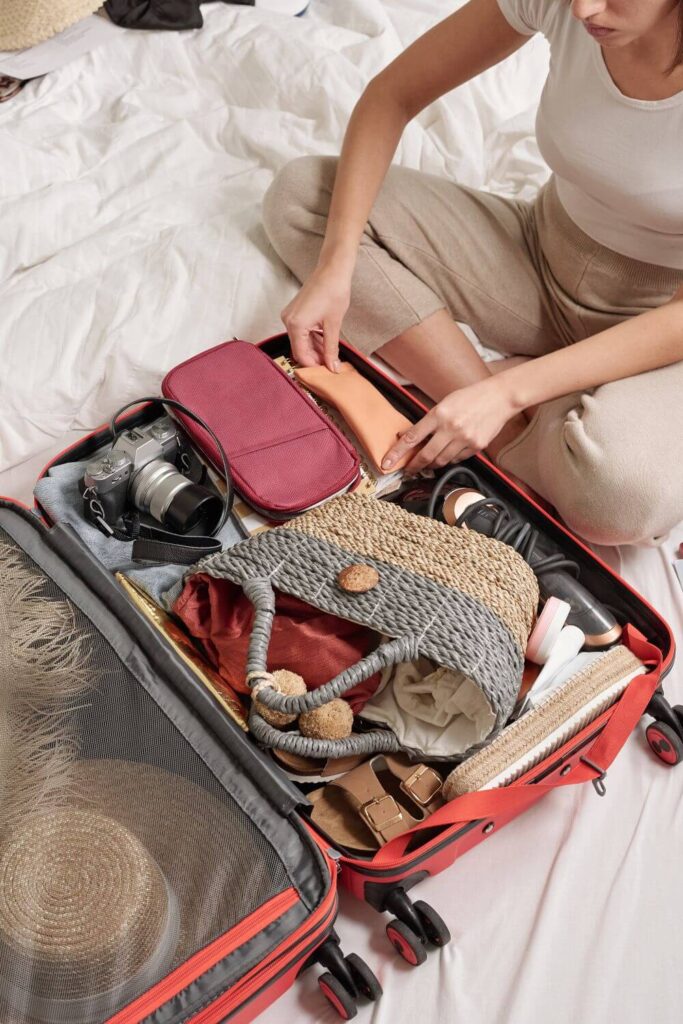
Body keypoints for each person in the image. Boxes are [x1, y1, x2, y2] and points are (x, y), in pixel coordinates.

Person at [262, 0, 683, 547]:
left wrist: (509, 392)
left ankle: (519, 404)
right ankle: (518, 432)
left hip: (657, 331)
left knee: (618, 499)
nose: (584, 9)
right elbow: (393, 95)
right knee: (304, 197)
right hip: (540, 256)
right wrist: (339, 263)